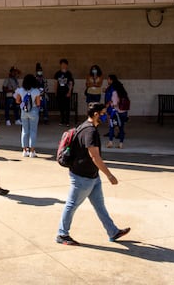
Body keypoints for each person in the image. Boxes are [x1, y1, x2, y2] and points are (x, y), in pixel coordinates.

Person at [55, 102, 130, 246]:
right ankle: (62, 234)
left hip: (92, 176)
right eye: (103, 113)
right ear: (96, 114)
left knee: (100, 206)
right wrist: (109, 175)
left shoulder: (84, 126)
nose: (105, 116)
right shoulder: (90, 132)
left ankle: (113, 231)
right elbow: (94, 156)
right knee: (71, 205)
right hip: (82, 177)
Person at [15, 73, 41, 158]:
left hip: (24, 111)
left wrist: (23, 103)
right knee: (33, 131)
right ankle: (32, 151)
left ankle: (24, 150)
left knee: (24, 131)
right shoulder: (36, 91)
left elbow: (17, 101)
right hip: (33, 111)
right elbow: (38, 103)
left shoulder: (20, 90)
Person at [105, 75, 129, 149]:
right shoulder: (122, 91)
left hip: (116, 112)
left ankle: (110, 142)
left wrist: (109, 104)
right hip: (124, 111)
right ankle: (121, 144)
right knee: (121, 128)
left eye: (108, 79)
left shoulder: (114, 91)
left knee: (112, 127)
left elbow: (115, 103)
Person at [54, 58, 75, 127]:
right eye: (62, 64)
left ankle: (67, 121)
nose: (63, 66)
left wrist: (69, 92)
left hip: (66, 92)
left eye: (64, 64)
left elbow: (71, 83)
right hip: (60, 92)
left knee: (67, 107)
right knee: (61, 107)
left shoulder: (69, 74)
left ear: (66, 65)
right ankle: (62, 120)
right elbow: (56, 83)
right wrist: (55, 91)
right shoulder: (57, 73)